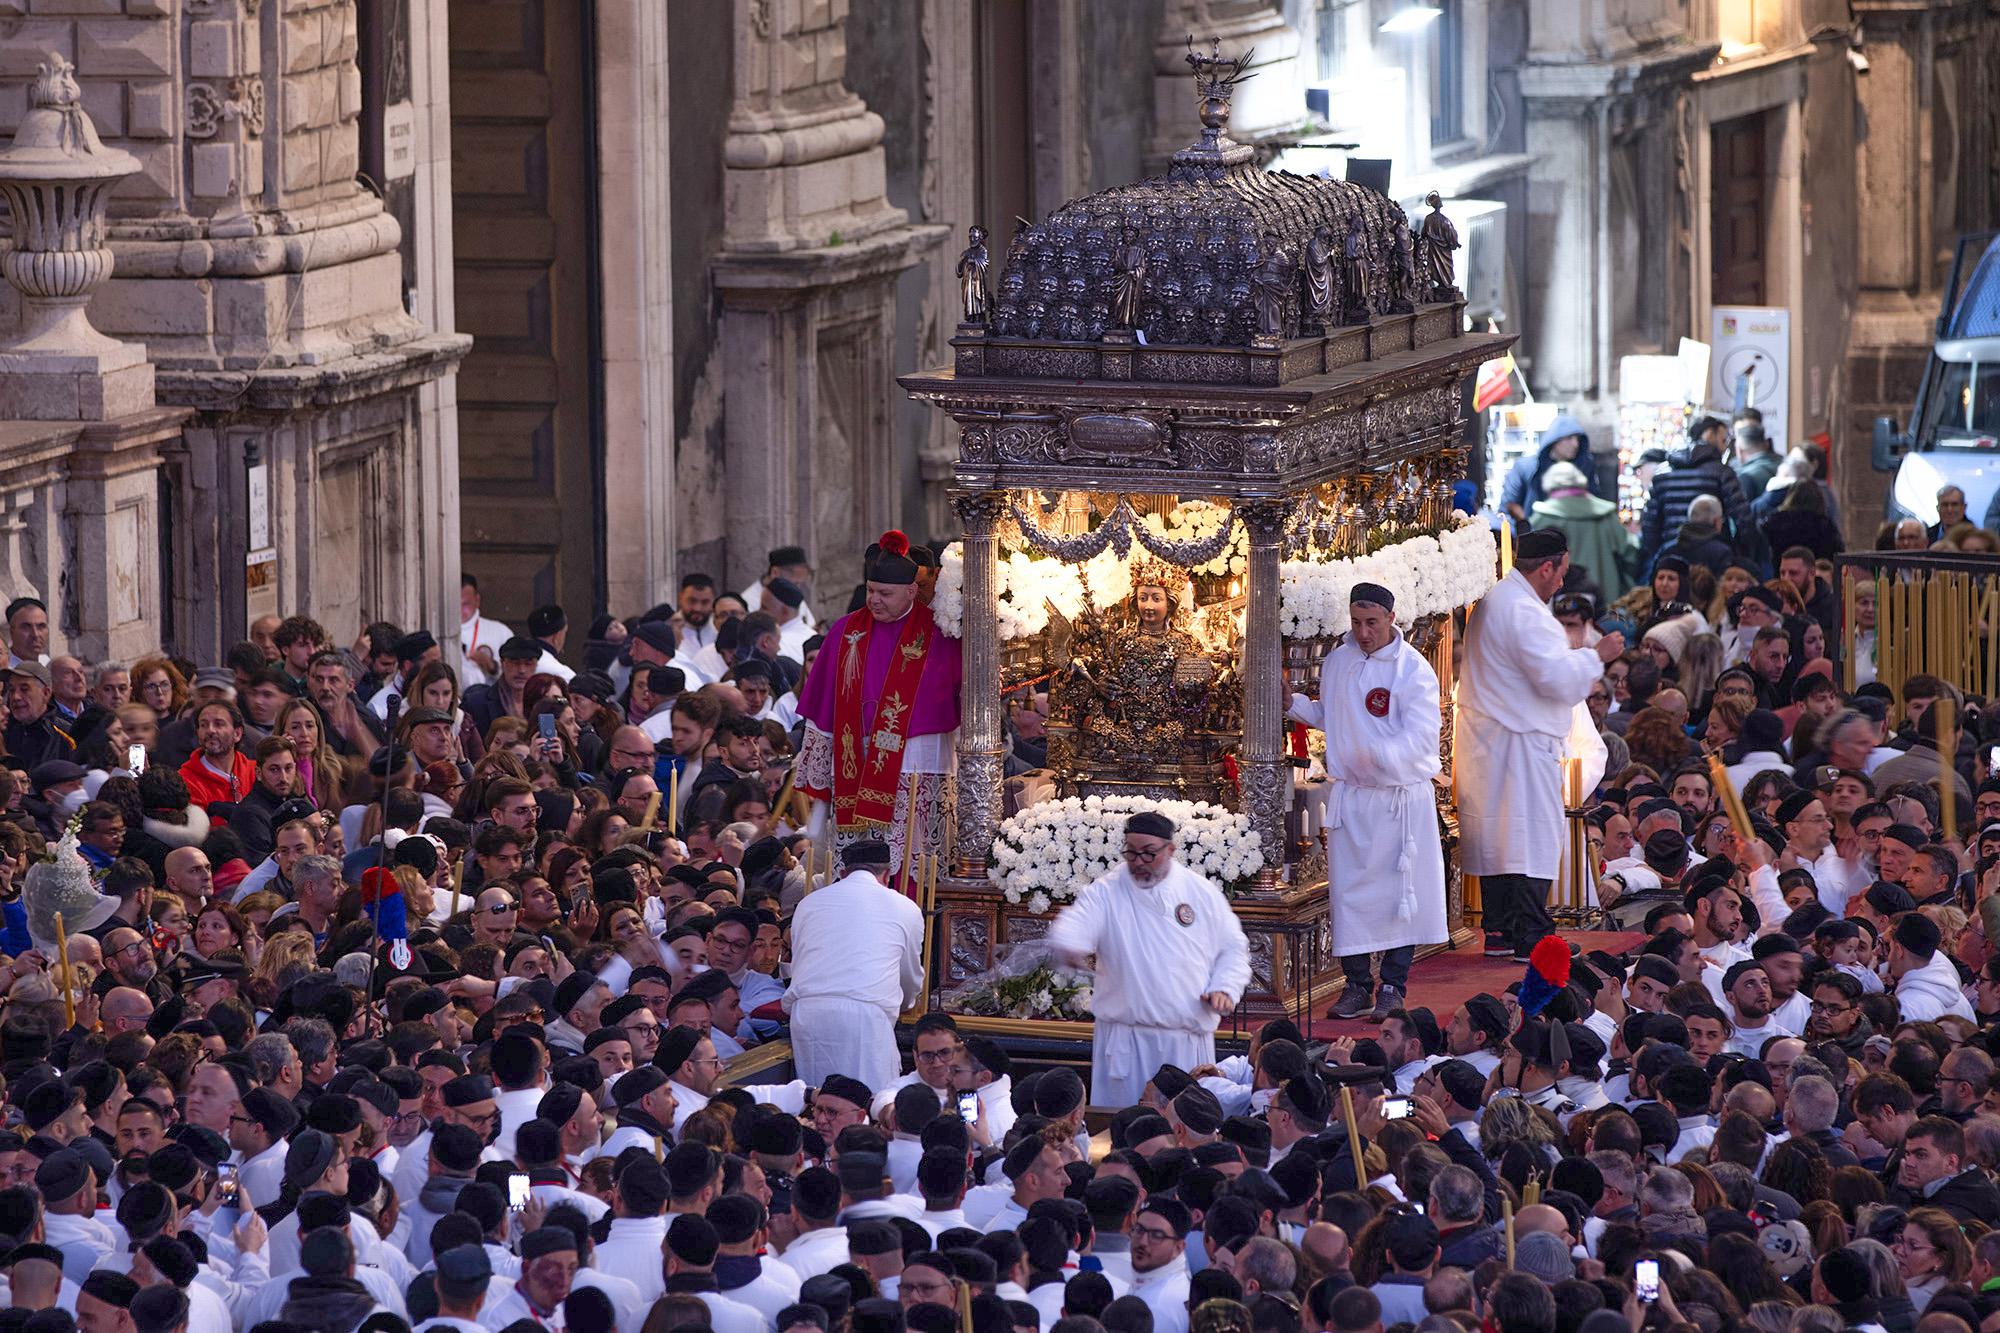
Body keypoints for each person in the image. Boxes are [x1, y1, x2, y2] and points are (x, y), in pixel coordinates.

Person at [1456, 528, 1623, 960]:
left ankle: (1500, 929)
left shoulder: (1497, 602)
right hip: (1519, 743)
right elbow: (1558, 681)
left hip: (1493, 740)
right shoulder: (1525, 613)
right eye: (1562, 571)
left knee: (1500, 836)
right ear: (1547, 567)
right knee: (1530, 838)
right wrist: (1597, 655)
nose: (1563, 582)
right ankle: (1530, 934)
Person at [1288, 583, 1447, 1020]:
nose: (1363, 632)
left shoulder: (1412, 670)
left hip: (1397, 800)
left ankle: (1393, 985)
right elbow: (1331, 715)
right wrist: (1295, 705)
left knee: (1402, 893)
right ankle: (1356, 985)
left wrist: (1374, 754)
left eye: (1371, 623)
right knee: (1350, 895)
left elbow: (1421, 739)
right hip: (1354, 797)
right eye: (1356, 623)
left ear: (1391, 619)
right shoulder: (1338, 661)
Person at [1048, 811, 1250, 1106]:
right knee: (1125, 1132)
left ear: (1170, 850)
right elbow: (1076, 922)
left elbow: (1233, 947)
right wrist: (1070, 945)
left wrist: (1225, 987)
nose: (1139, 862)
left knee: (1184, 1132)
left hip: (1187, 1043)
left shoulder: (1200, 892)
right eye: (1131, 854)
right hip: (1127, 1044)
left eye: (1148, 854)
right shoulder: (1106, 891)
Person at [794, 531, 963, 884]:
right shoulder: (844, 632)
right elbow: (824, 711)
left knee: (914, 869)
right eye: (871, 590)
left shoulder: (940, 634)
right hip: (854, 767)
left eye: (885, 593)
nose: (874, 600)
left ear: (912, 591)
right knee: (856, 867)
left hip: (916, 770)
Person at [782, 838, 924, 1088]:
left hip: (808, 1011)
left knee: (819, 1100)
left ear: (843, 872)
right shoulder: (905, 907)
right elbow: (910, 975)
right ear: (887, 874)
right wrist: (908, 1002)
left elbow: (801, 959)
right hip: (865, 1014)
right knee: (869, 1102)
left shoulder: (808, 903)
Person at [1638, 415, 1756, 574]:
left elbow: (1650, 524)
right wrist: (1741, 553)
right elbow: (1743, 518)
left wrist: (1659, 553)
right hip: (1713, 558)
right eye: (1723, 441)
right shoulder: (1721, 473)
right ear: (1709, 434)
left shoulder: (1661, 474)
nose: (1725, 448)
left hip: (1671, 556)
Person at [1528, 461, 1632, 599]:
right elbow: (1630, 552)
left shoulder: (1541, 518)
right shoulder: (1605, 515)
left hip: (1555, 600)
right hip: (1605, 595)